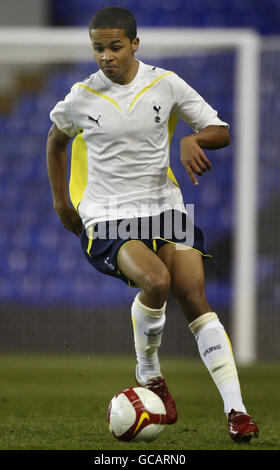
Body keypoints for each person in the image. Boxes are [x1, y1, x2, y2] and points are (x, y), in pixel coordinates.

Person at [46, 6, 259, 442]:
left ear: (135, 44)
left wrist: (193, 138)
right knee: (157, 281)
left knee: (196, 298)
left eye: (115, 46)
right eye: (98, 48)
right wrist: (63, 205)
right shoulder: (80, 97)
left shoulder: (166, 84)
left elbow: (221, 130)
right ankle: (149, 373)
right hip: (107, 216)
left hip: (165, 208)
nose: (106, 56)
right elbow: (55, 143)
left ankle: (237, 412)